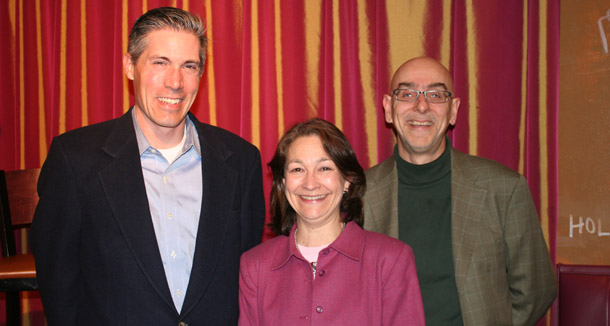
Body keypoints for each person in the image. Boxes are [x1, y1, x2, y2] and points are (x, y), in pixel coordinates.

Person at [30, 7, 265, 325]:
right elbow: (58, 282)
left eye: (189, 66)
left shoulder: (240, 160)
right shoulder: (75, 159)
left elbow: (247, 272)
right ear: (130, 66)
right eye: (160, 63)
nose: (175, 82)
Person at [363, 56, 557, 325]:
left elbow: (536, 290)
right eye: (407, 94)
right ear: (388, 108)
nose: (421, 106)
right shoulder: (357, 194)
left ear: (453, 110)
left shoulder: (504, 188)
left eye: (436, 94)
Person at [238, 118, 425, 326]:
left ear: (346, 180)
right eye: (297, 169)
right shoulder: (255, 266)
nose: (310, 184)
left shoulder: (391, 260)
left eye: (324, 168)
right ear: (283, 183)